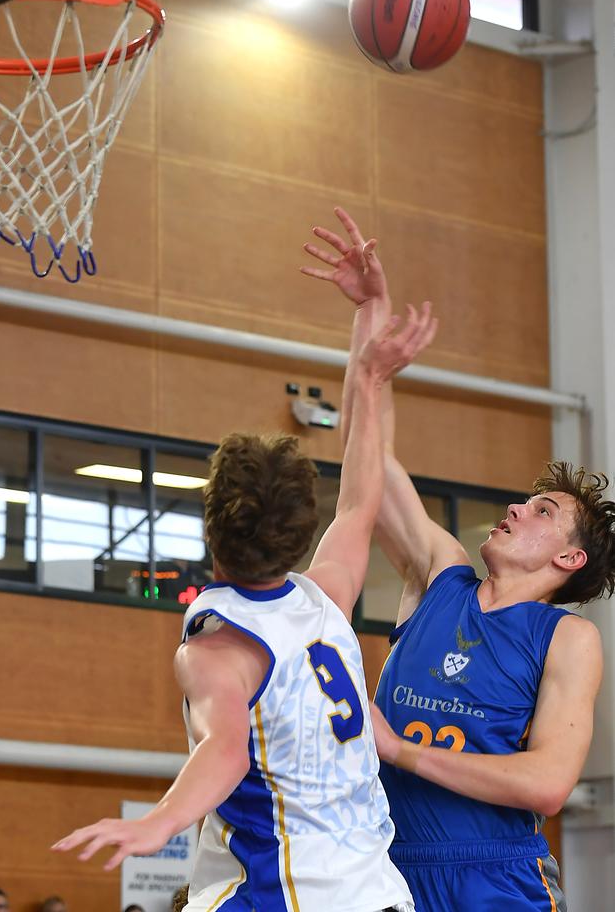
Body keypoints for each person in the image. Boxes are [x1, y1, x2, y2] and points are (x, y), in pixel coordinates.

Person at [52, 303, 438, 911]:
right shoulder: (327, 598)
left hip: (282, 893)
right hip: (377, 892)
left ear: (210, 530)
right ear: (301, 532)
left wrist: (159, 822)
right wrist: (369, 367)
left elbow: (225, 751)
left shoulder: (216, 649)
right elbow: (360, 503)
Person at [301, 206, 614, 912]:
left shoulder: (568, 638)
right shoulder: (439, 571)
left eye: (543, 512)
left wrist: (397, 749)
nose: (516, 508)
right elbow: (366, 465)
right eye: (525, 500)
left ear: (569, 557)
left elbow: (546, 785)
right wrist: (368, 320)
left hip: (492, 875)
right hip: (382, 868)